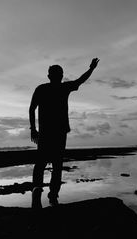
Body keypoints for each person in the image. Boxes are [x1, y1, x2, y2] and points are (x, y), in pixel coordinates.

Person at [29, 58, 100, 208]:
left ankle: (39, 191)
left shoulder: (42, 88)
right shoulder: (63, 87)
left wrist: (33, 129)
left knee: (41, 163)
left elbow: (31, 109)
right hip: (58, 133)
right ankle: (52, 196)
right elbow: (81, 80)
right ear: (60, 76)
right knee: (56, 165)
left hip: (47, 133)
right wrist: (92, 68)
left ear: (49, 76)